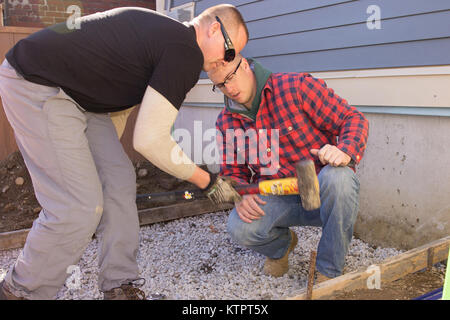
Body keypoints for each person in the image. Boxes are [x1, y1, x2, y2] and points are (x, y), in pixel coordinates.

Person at [0, 5, 247, 300]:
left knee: (117, 180)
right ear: (213, 28)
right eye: (229, 51)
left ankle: (119, 285)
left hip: (81, 99)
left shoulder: (162, 39)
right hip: (39, 82)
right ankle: (20, 291)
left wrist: (100, 164)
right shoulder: (184, 50)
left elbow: (119, 101)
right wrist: (208, 181)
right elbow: (150, 140)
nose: (224, 60)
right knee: (78, 206)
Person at [208, 54, 369, 281]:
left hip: (321, 191)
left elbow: (353, 119)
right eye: (220, 85)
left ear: (244, 65)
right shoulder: (226, 122)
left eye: (231, 77)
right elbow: (233, 172)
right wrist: (238, 195)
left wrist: (344, 150)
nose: (230, 88)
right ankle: (281, 247)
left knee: (339, 179)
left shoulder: (296, 87)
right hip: (278, 195)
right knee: (239, 227)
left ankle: (328, 271)